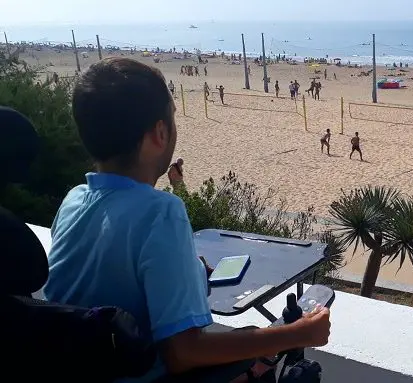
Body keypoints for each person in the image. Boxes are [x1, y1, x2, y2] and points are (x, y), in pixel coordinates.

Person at [42, 58, 331, 382]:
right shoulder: (161, 212)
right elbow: (183, 353)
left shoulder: (73, 201)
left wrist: (188, 272)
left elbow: (113, 279)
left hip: (82, 367)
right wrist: (299, 334)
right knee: (266, 355)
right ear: (160, 132)